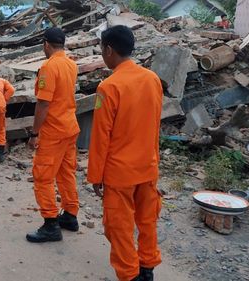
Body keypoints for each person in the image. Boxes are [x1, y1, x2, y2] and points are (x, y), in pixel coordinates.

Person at [87, 26, 163, 281]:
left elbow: (100, 137)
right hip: (147, 167)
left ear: (109, 49)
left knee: (117, 228)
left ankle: (130, 275)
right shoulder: (152, 79)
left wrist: (96, 175)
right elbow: (155, 126)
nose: (102, 55)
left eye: (102, 50)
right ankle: (147, 269)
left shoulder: (109, 87)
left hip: (120, 174)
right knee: (147, 221)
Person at [26, 27, 80, 243]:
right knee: (66, 173)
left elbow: (43, 103)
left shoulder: (48, 67)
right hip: (70, 128)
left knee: (43, 177)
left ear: (46, 44)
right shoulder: (71, 64)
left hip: (53, 131)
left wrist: (34, 133)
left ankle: (50, 224)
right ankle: (70, 215)